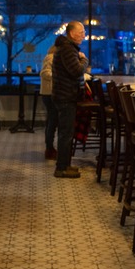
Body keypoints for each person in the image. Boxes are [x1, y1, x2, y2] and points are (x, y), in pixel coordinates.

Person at [52, 21, 88, 178]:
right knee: (66, 134)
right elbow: (76, 70)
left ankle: (65, 164)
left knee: (66, 133)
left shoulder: (66, 47)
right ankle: (61, 168)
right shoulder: (67, 48)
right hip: (66, 95)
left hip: (64, 95)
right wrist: (84, 60)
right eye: (81, 32)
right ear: (72, 33)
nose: (84, 35)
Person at [39, 45, 58, 160]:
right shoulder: (51, 57)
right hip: (50, 92)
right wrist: (59, 77)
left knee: (51, 120)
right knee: (52, 121)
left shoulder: (50, 57)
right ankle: (49, 148)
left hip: (48, 92)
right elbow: (45, 73)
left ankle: (50, 147)